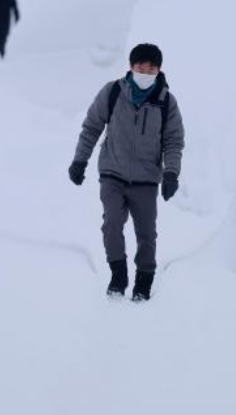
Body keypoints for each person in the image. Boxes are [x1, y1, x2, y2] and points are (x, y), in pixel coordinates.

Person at [68, 43, 185, 302]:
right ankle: (118, 274)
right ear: (131, 67)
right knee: (111, 224)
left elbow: (173, 141)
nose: (146, 70)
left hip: (146, 179)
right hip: (113, 173)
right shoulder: (112, 93)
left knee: (146, 234)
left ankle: (144, 280)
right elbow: (91, 127)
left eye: (151, 67)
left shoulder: (166, 102)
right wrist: (80, 161)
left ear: (158, 69)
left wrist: (171, 174)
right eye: (141, 65)